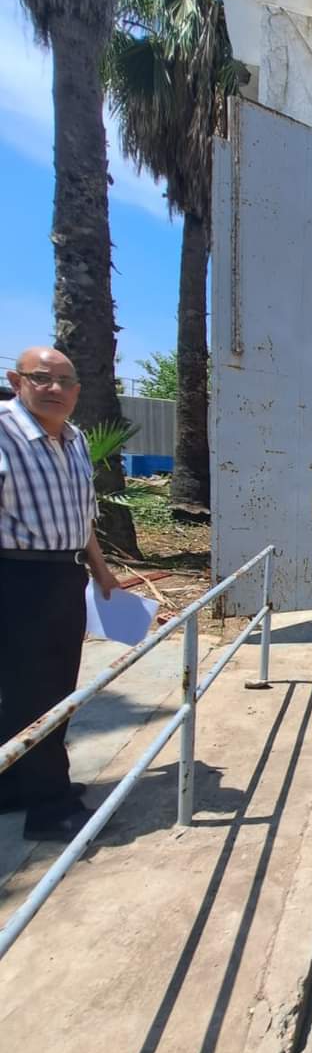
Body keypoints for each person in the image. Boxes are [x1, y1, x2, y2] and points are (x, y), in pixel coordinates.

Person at [0, 348, 120, 840]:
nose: (55, 389)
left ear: (77, 390)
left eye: (66, 381)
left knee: (49, 689)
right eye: (42, 378)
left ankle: (15, 786)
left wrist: (101, 571)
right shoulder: (4, 433)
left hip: (64, 577)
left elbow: (81, 516)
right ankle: (49, 809)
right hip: (18, 577)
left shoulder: (74, 439)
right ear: (17, 381)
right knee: (38, 694)